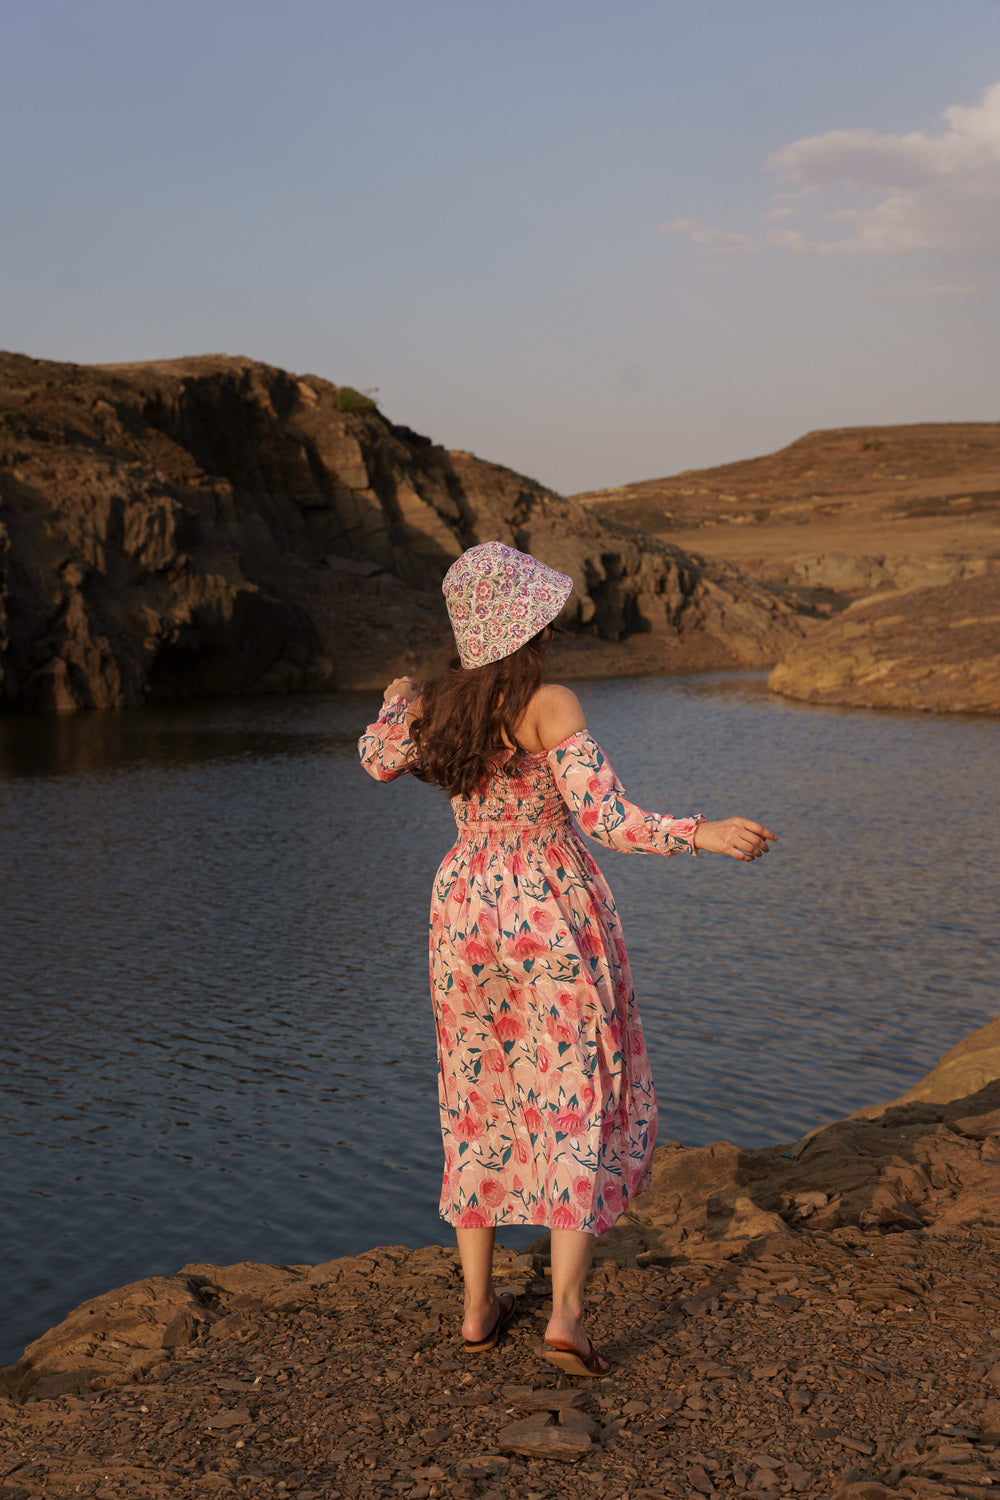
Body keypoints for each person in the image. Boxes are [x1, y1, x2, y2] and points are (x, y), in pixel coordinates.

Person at [358, 541, 776, 1376]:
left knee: (476, 1096)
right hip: (548, 911)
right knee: (573, 1100)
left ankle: (478, 1309)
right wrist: (702, 833)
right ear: (528, 626)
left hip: (464, 909)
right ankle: (565, 1317)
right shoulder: (548, 702)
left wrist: (395, 703)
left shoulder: (435, 708)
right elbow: (607, 817)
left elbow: (375, 760)